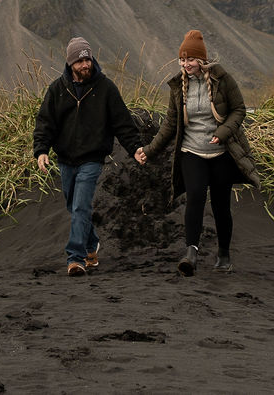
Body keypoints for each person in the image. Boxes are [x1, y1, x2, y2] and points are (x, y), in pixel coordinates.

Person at [134, 30, 260, 276]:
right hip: (191, 152)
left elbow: (239, 110)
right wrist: (149, 150)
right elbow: (170, 125)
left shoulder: (223, 80)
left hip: (221, 153)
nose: (185, 64)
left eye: (190, 59)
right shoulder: (178, 87)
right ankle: (190, 253)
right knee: (195, 198)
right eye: (182, 60)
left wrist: (222, 132)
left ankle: (223, 255)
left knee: (222, 206)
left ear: (201, 59)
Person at [34, 36, 143, 277]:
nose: (86, 64)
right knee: (74, 207)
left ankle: (76, 258)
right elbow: (45, 123)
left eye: (88, 59)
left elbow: (122, 123)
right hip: (65, 159)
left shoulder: (105, 88)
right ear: (70, 63)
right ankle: (92, 246)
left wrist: (135, 148)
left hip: (92, 159)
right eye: (80, 60)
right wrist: (41, 150)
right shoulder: (57, 89)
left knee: (82, 206)